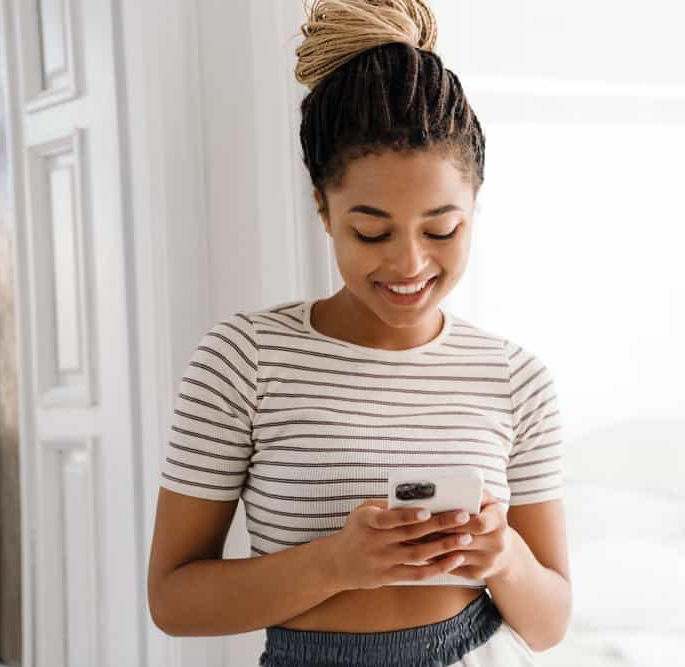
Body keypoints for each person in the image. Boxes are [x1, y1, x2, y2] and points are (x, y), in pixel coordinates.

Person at [146, 1, 571, 664]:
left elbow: (549, 623)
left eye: (442, 229)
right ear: (322, 206)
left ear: (475, 206)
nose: (410, 263)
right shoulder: (246, 359)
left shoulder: (515, 377)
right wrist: (338, 563)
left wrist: (504, 555)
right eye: (371, 231)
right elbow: (173, 599)